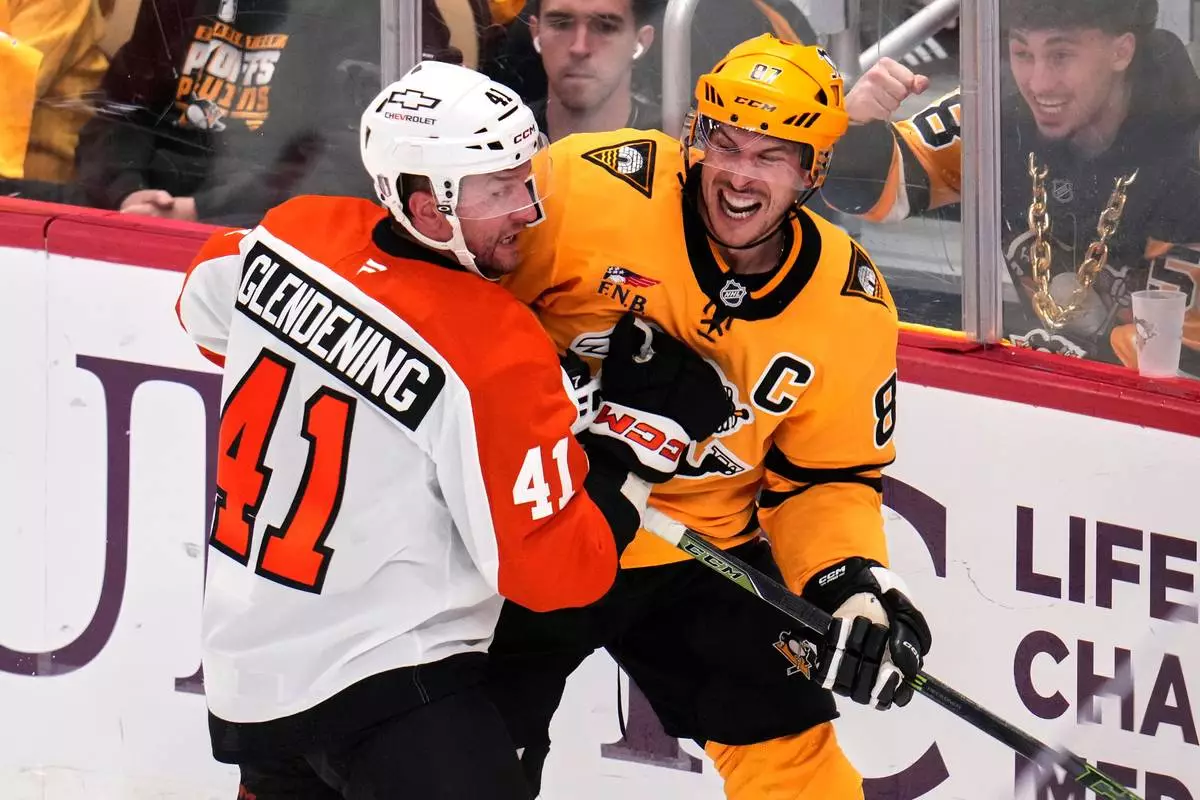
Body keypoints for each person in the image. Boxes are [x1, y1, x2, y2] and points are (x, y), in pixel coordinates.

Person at [175, 60, 732, 799]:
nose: (528, 209)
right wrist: (634, 443)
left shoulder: (293, 231)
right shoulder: (493, 346)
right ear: (428, 208)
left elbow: (199, 306)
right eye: (498, 190)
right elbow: (556, 575)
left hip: (249, 678)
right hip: (389, 687)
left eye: (525, 179)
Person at [486, 33, 933, 798]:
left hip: (695, 556)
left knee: (800, 770)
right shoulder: (589, 188)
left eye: (771, 155)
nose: (737, 173)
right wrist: (541, 390)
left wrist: (846, 581)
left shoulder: (849, 304)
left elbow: (826, 479)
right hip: (536, 527)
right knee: (469, 763)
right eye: (724, 143)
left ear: (814, 169)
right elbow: (459, 298)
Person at [822, 0, 1200, 375]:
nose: (1038, 84)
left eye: (1061, 55)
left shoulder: (1188, 157)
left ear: (1122, 51)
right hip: (1042, 383)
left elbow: (1182, 363)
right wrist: (857, 128)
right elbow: (869, 195)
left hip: (1141, 401)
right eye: (1022, 52)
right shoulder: (994, 109)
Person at [527, 0, 662, 141]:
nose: (579, 48)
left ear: (640, 41)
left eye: (605, 27)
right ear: (536, 33)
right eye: (561, 24)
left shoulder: (673, 141)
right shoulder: (509, 134)